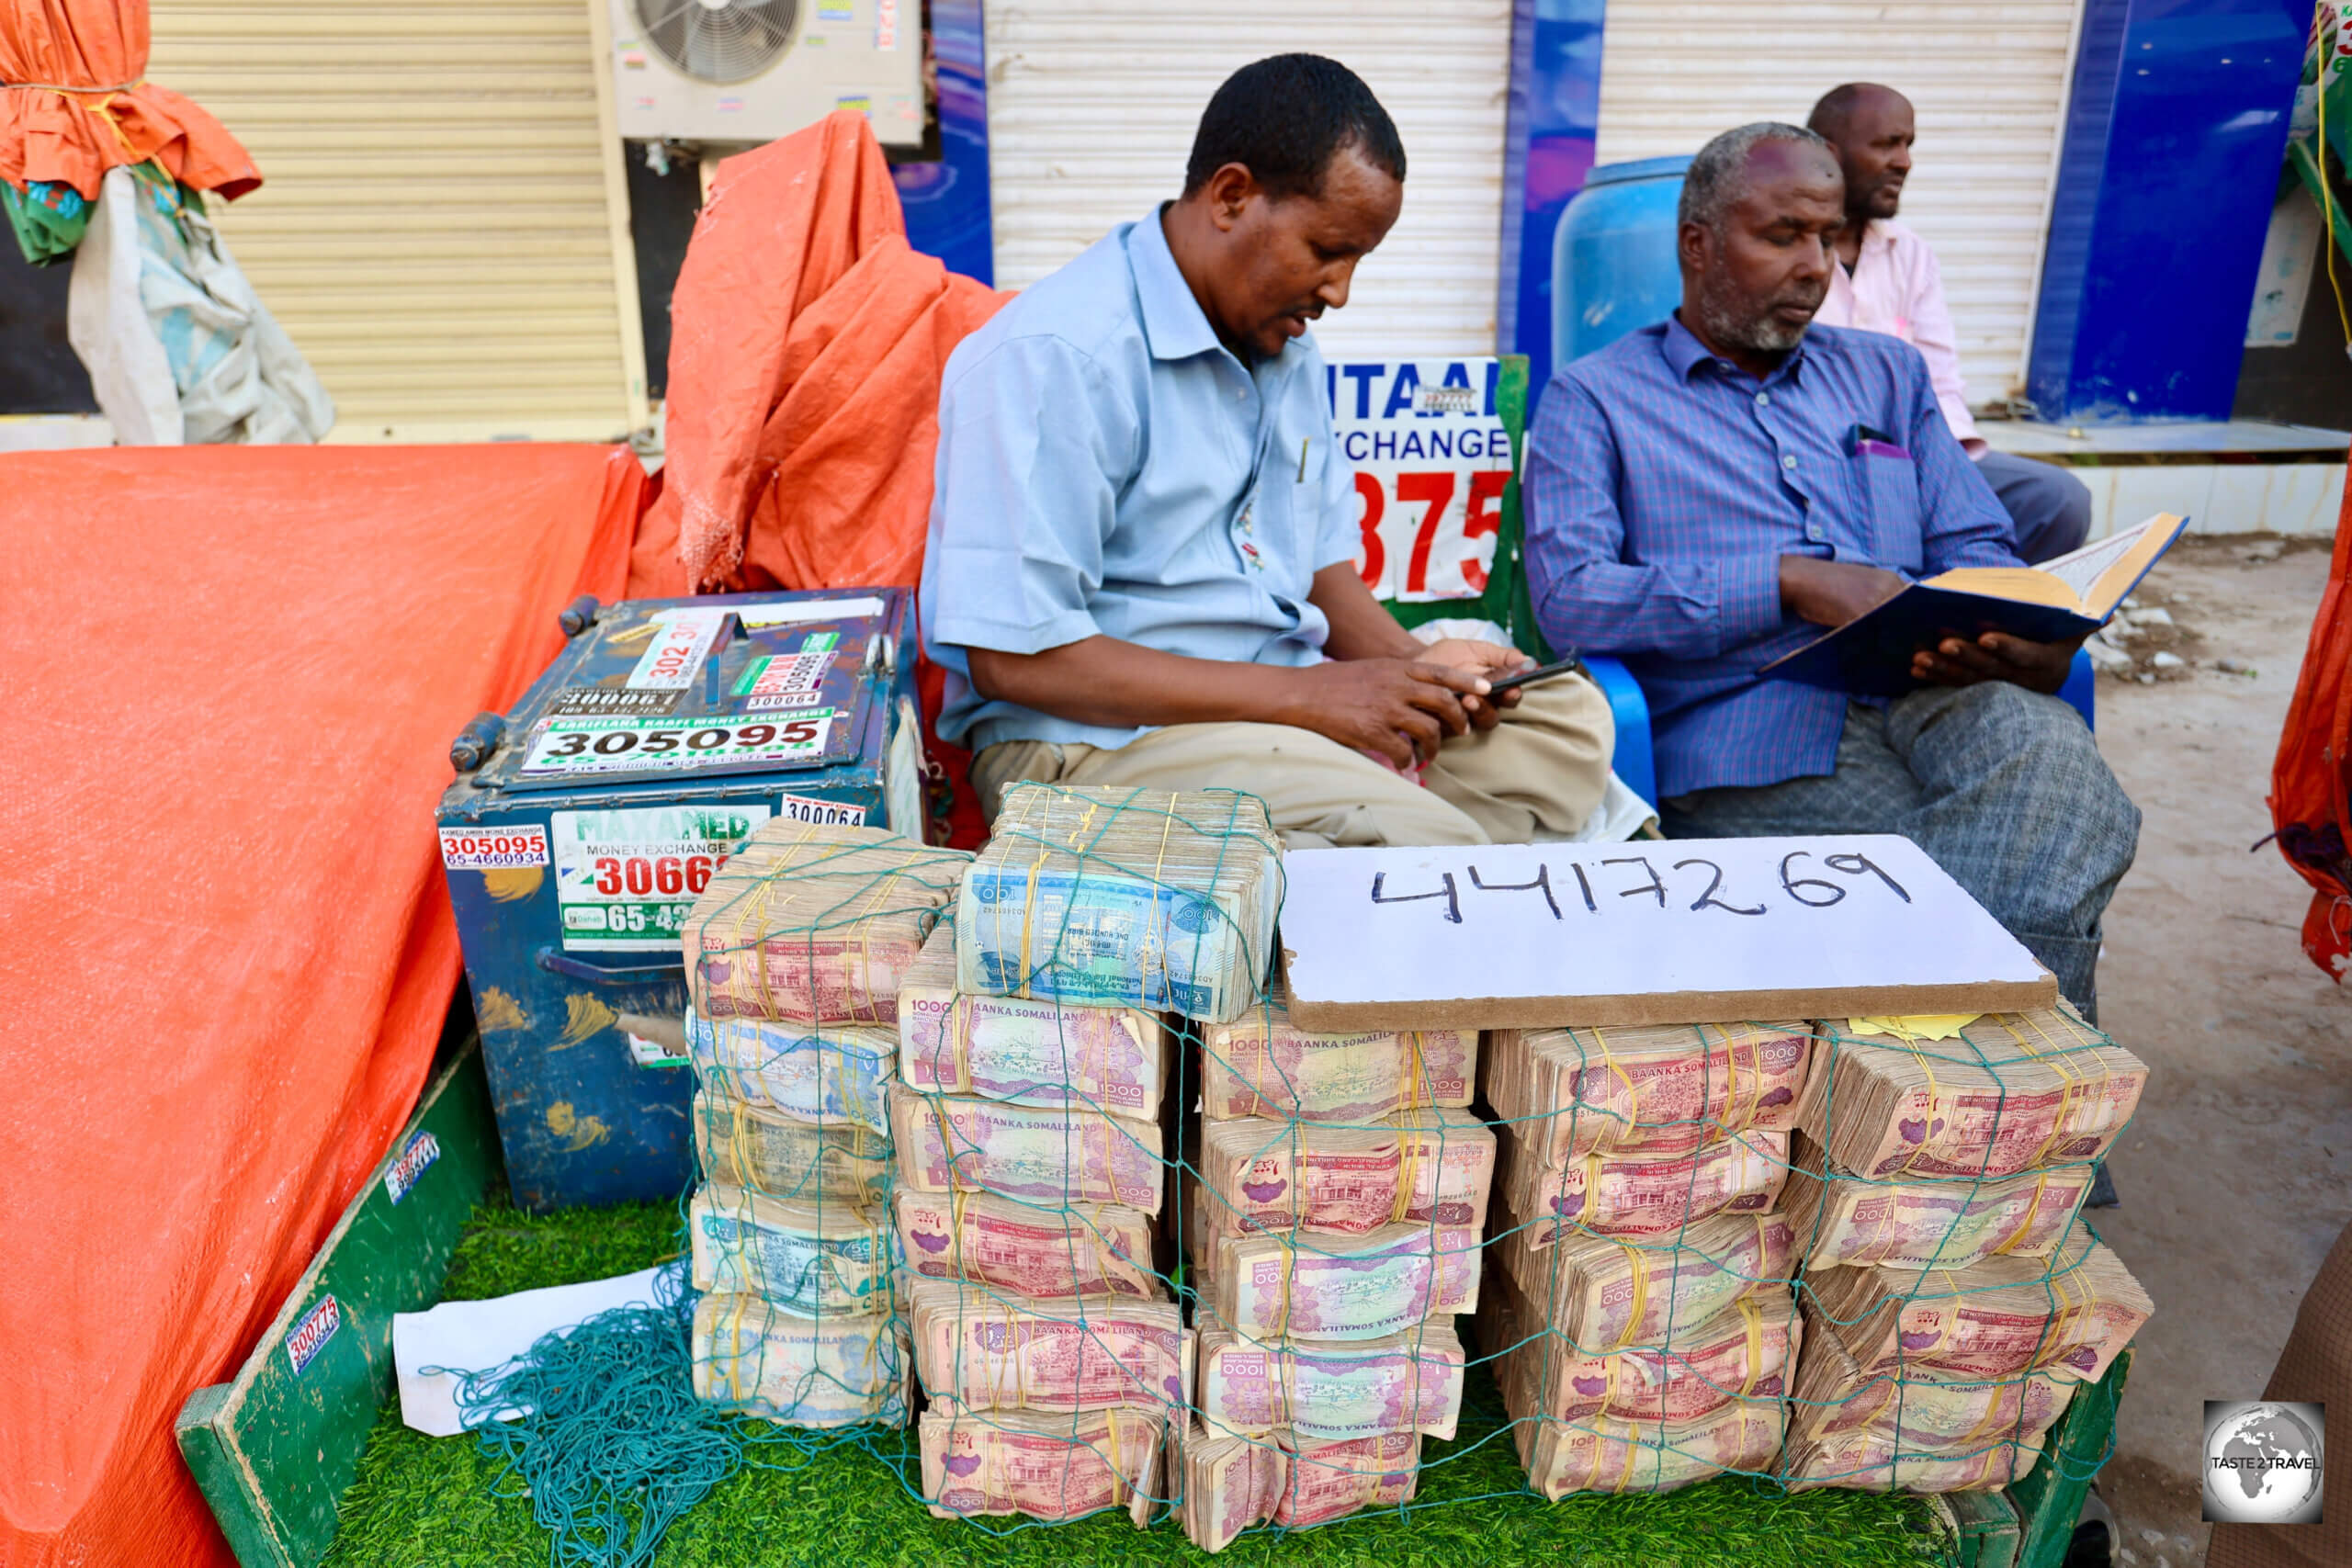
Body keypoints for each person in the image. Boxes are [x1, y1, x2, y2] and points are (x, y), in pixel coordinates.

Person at [1523, 121, 2138, 1018]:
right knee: (2002, 847)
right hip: (1749, 734)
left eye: (1829, 236)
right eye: (1782, 236)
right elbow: (1570, 601)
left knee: (2066, 778)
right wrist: (1786, 580)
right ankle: (2029, 1086)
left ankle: (1976, 1084)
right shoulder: (1596, 400)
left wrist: (2022, 631)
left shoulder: (1885, 376)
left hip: (1934, 690)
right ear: (1696, 245)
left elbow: (1975, 539)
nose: (1815, 266)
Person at [919, 53, 1613, 848]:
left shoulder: (1285, 351)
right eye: (1326, 249)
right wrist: (1315, 701)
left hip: (1276, 707)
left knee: (1568, 730)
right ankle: (1392, 833)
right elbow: (1019, 662)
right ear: (1232, 196)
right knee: (1421, 848)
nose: (1340, 290)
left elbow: (1321, 572)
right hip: (1091, 742)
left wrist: (1424, 676)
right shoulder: (1060, 353)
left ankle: (1369, 822)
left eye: (1358, 259)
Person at [1805, 83, 2094, 566]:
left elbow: (1939, 381)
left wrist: (1947, 480)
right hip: (1820, 472)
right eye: (1885, 144)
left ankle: (1966, 619)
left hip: (1914, 464)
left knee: (2059, 501)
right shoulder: (1784, 255)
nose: (1904, 162)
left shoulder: (1912, 255)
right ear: (1828, 154)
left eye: (1908, 145)